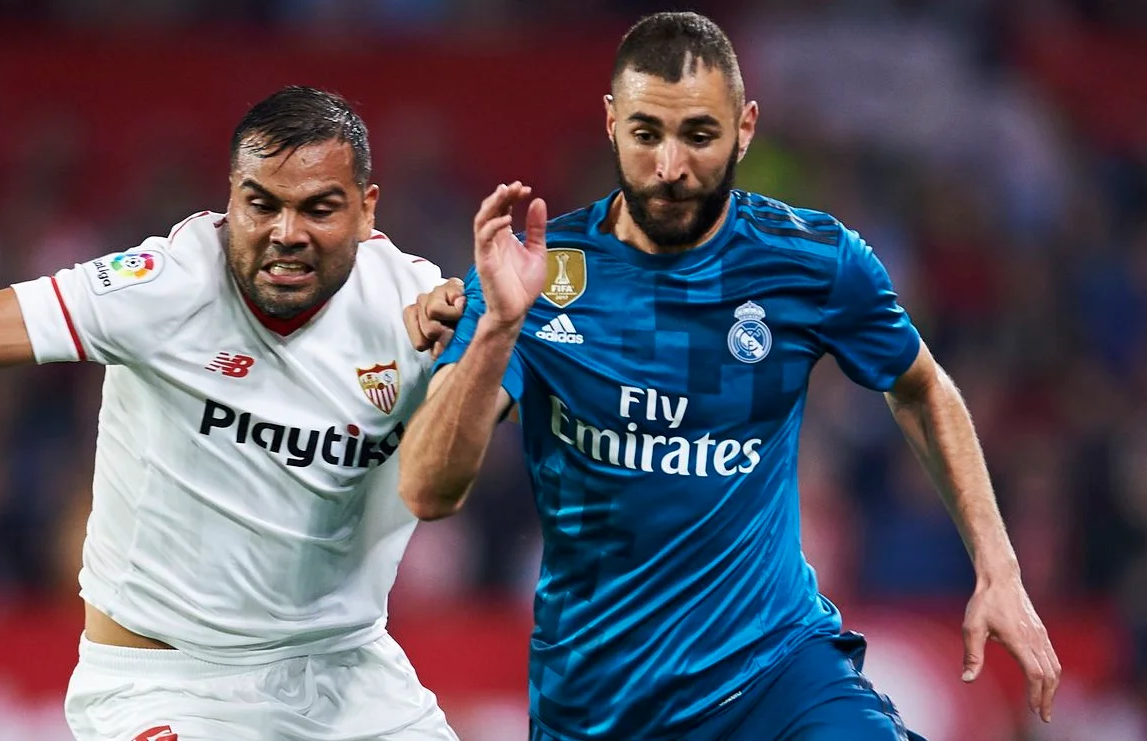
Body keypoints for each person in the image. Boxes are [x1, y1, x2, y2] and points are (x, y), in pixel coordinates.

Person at [398, 12, 1059, 741]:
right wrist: (497, 327)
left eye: (699, 135)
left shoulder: (812, 261)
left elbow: (922, 387)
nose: (670, 166)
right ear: (612, 124)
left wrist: (998, 567)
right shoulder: (535, 277)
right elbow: (428, 489)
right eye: (646, 134)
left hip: (777, 671)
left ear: (744, 130)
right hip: (600, 705)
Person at [0, 86, 458, 741]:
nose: (285, 231)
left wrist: (492, 341)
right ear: (231, 199)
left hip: (349, 675)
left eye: (318, 209)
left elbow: (481, 440)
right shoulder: (163, 286)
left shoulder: (417, 303)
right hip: (168, 686)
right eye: (261, 204)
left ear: (366, 210)